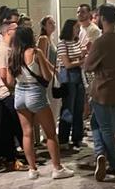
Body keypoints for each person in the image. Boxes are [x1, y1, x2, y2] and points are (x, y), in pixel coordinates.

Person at [6, 26, 74, 180]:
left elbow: (10, 81)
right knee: (50, 133)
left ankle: (32, 169)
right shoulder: (36, 53)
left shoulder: (13, 55)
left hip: (19, 95)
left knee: (27, 133)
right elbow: (48, 77)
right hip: (35, 93)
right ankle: (57, 168)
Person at [84, 4, 115, 181]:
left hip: (104, 91)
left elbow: (88, 66)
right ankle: (101, 154)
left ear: (103, 18)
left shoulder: (102, 41)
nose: (95, 19)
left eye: (97, 16)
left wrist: (89, 53)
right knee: (97, 123)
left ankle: (112, 164)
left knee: (105, 128)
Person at [0, 22, 27, 171]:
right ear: (8, 32)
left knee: (11, 127)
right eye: (15, 29)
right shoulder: (3, 51)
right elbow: (4, 75)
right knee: (14, 127)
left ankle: (15, 157)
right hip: (7, 94)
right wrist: (15, 86)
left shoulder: (9, 49)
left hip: (9, 93)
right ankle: (12, 159)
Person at [57, 19, 85, 150]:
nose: (78, 30)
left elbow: (75, 58)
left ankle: (77, 137)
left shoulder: (76, 42)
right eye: (76, 27)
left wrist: (78, 59)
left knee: (79, 108)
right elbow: (66, 64)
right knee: (68, 108)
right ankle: (63, 138)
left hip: (78, 76)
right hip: (68, 77)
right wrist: (80, 60)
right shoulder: (62, 44)